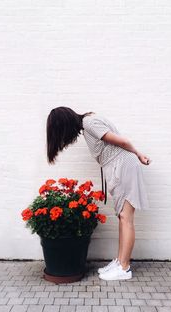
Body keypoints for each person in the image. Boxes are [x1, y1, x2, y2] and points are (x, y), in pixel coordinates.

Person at [46, 106, 152, 281]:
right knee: (122, 216)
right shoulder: (88, 122)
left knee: (126, 217)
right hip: (119, 167)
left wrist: (139, 154)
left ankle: (124, 268)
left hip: (123, 166)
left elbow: (122, 142)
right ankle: (120, 261)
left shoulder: (89, 123)